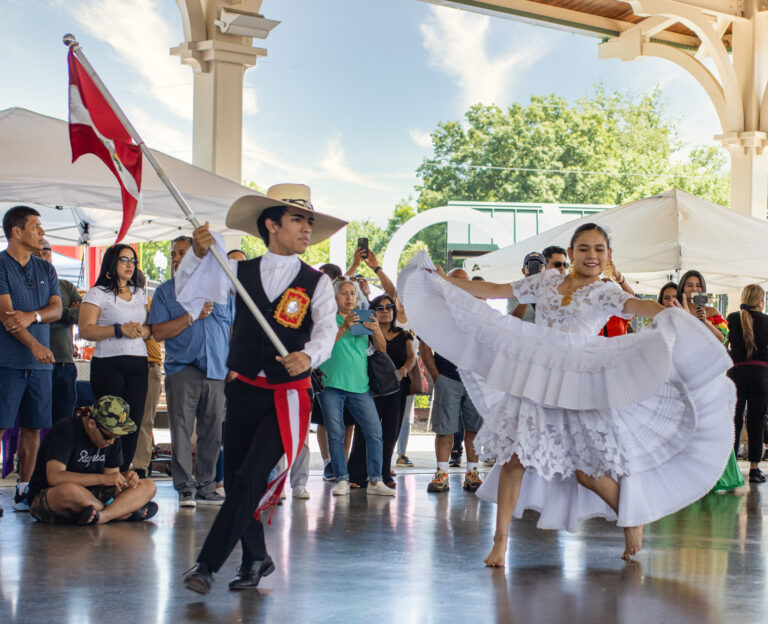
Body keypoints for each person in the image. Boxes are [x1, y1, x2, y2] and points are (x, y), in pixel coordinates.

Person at [397, 222, 734, 566]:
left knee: (586, 472)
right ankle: (500, 542)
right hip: (537, 377)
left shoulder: (606, 292)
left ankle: (631, 517)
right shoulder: (546, 281)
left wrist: (670, 313)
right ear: (571, 254)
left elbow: (638, 306)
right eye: (584, 249)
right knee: (515, 459)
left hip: (578, 383)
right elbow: (498, 289)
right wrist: (444, 281)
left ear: (608, 255)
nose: (592, 255)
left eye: (599, 249)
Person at [179, 183, 343, 594]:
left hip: (287, 396)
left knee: (253, 474)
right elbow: (189, 293)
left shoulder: (317, 282)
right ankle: (256, 559)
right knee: (236, 482)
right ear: (271, 224)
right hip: (244, 389)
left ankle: (207, 565)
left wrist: (309, 356)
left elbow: (326, 329)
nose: (307, 229)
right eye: (298, 220)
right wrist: (198, 255)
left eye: (310, 221)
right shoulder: (238, 271)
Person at [149, 235, 234, 507]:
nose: (176, 258)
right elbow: (158, 332)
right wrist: (190, 317)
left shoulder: (222, 291)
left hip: (218, 370)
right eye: (173, 253)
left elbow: (232, 329)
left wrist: (233, 364)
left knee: (213, 432)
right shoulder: (166, 291)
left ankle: (207, 485)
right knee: (181, 430)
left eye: (181, 253)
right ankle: (185, 486)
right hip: (182, 368)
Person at [0, 206, 62, 514]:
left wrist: (33, 316)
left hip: (40, 367)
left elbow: (57, 309)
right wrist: (36, 344)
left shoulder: (46, 268)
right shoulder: (0, 265)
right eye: (36, 226)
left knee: (33, 427)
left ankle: (24, 489)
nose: (42, 232)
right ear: (16, 231)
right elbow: (7, 317)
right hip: (6, 362)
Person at [26, 395, 157, 524]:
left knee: (148, 486)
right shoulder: (65, 430)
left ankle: (103, 516)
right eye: (107, 436)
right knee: (69, 490)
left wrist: (126, 478)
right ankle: (122, 513)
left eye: (116, 437)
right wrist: (102, 479)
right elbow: (55, 478)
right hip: (51, 495)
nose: (111, 441)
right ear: (91, 424)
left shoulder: (112, 438)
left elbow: (111, 480)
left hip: (93, 497)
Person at [317, 278, 394, 497]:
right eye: (344, 293)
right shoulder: (327, 320)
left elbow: (381, 348)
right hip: (330, 385)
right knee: (335, 433)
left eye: (352, 293)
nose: (349, 297)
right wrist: (343, 327)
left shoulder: (365, 317)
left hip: (360, 386)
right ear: (335, 297)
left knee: (374, 432)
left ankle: (375, 480)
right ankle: (341, 478)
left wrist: (376, 329)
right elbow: (321, 347)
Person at [78, 244, 150, 472]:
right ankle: (105, 475)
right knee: (110, 424)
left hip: (138, 362)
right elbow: (85, 330)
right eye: (124, 260)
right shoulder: (97, 293)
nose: (130, 265)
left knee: (133, 424)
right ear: (112, 262)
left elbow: (147, 328)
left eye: (133, 261)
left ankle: (123, 473)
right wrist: (119, 330)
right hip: (109, 363)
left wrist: (143, 331)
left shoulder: (140, 292)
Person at [420, 268, 484, 494]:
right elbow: (425, 345)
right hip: (448, 377)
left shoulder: (478, 310)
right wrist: (436, 375)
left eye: (464, 281)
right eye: (456, 280)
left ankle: (473, 472)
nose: (460, 285)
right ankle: (441, 473)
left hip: (475, 380)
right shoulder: (438, 310)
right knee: (445, 429)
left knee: (474, 429)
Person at [348, 293, 415, 488]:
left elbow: (412, 358)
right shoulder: (365, 332)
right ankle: (357, 475)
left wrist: (402, 371)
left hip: (396, 387)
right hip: (370, 387)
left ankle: (384, 473)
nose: (385, 311)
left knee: (391, 430)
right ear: (372, 311)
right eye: (380, 308)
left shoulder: (403, 334)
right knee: (365, 429)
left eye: (389, 307)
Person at [35, 239, 82, 425]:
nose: (42, 257)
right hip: (36, 363)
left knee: (64, 421)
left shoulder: (66, 286)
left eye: (46, 252)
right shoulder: (26, 287)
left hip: (64, 363)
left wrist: (53, 312)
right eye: (36, 253)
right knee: (35, 422)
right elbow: (26, 318)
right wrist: (67, 312)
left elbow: (82, 315)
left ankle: (60, 455)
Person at [726, 284, 768, 483]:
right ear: (760, 301)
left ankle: (731, 467)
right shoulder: (766, 320)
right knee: (756, 422)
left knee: (734, 421)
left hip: (737, 374)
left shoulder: (733, 318)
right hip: (761, 374)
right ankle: (754, 470)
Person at [675, 270, 728, 343]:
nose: (694, 289)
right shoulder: (675, 311)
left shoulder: (712, 311)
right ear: (682, 288)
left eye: (698, 285)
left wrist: (704, 320)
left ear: (703, 288)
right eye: (689, 285)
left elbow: (722, 339)